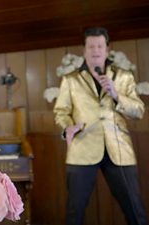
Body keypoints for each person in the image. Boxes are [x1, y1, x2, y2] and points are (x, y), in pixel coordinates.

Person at [54, 27, 148, 225]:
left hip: (119, 149)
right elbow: (61, 111)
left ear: (107, 49)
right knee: (74, 211)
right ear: (84, 50)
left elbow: (139, 110)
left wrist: (116, 95)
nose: (95, 50)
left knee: (135, 209)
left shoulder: (124, 76)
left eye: (99, 46)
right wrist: (67, 127)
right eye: (91, 46)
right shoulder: (70, 79)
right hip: (82, 147)